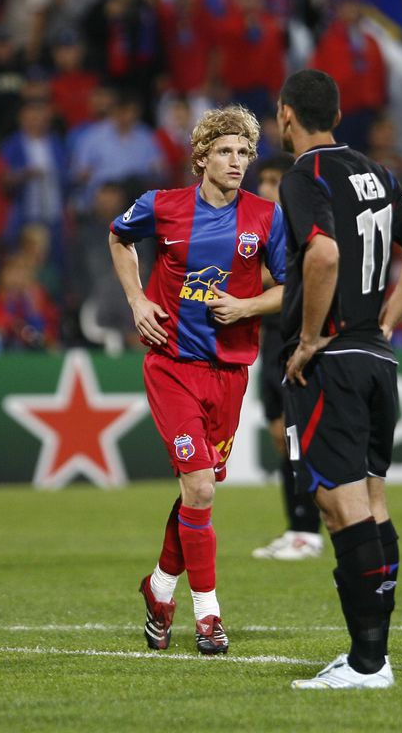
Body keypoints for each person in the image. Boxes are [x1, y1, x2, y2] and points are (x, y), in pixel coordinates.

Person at [276, 69, 402, 689]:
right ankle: (372, 655)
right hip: (376, 357)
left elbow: (323, 253)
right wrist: (386, 320)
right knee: (372, 502)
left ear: (285, 114)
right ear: (339, 115)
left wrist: (313, 337)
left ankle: (370, 662)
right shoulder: (376, 173)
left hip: (336, 361)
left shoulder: (305, 177)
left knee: (340, 507)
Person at [109, 105, 286, 656]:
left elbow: (291, 286)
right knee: (202, 485)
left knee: (198, 488)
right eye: (227, 152)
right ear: (202, 157)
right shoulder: (160, 207)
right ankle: (208, 615)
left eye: (245, 153)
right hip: (172, 366)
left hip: (230, 373)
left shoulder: (265, 217)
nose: (238, 162)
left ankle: (160, 587)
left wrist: (248, 304)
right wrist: (137, 299)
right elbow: (118, 238)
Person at [249, 152, 323, 561]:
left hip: (295, 341)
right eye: (264, 180)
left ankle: (309, 532)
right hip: (269, 343)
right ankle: (297, 526)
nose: (266, 188)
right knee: (281, 436)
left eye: (275, 180)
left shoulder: (302, 225)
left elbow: (288, 278)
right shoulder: (260, 225)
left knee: (301, 438)